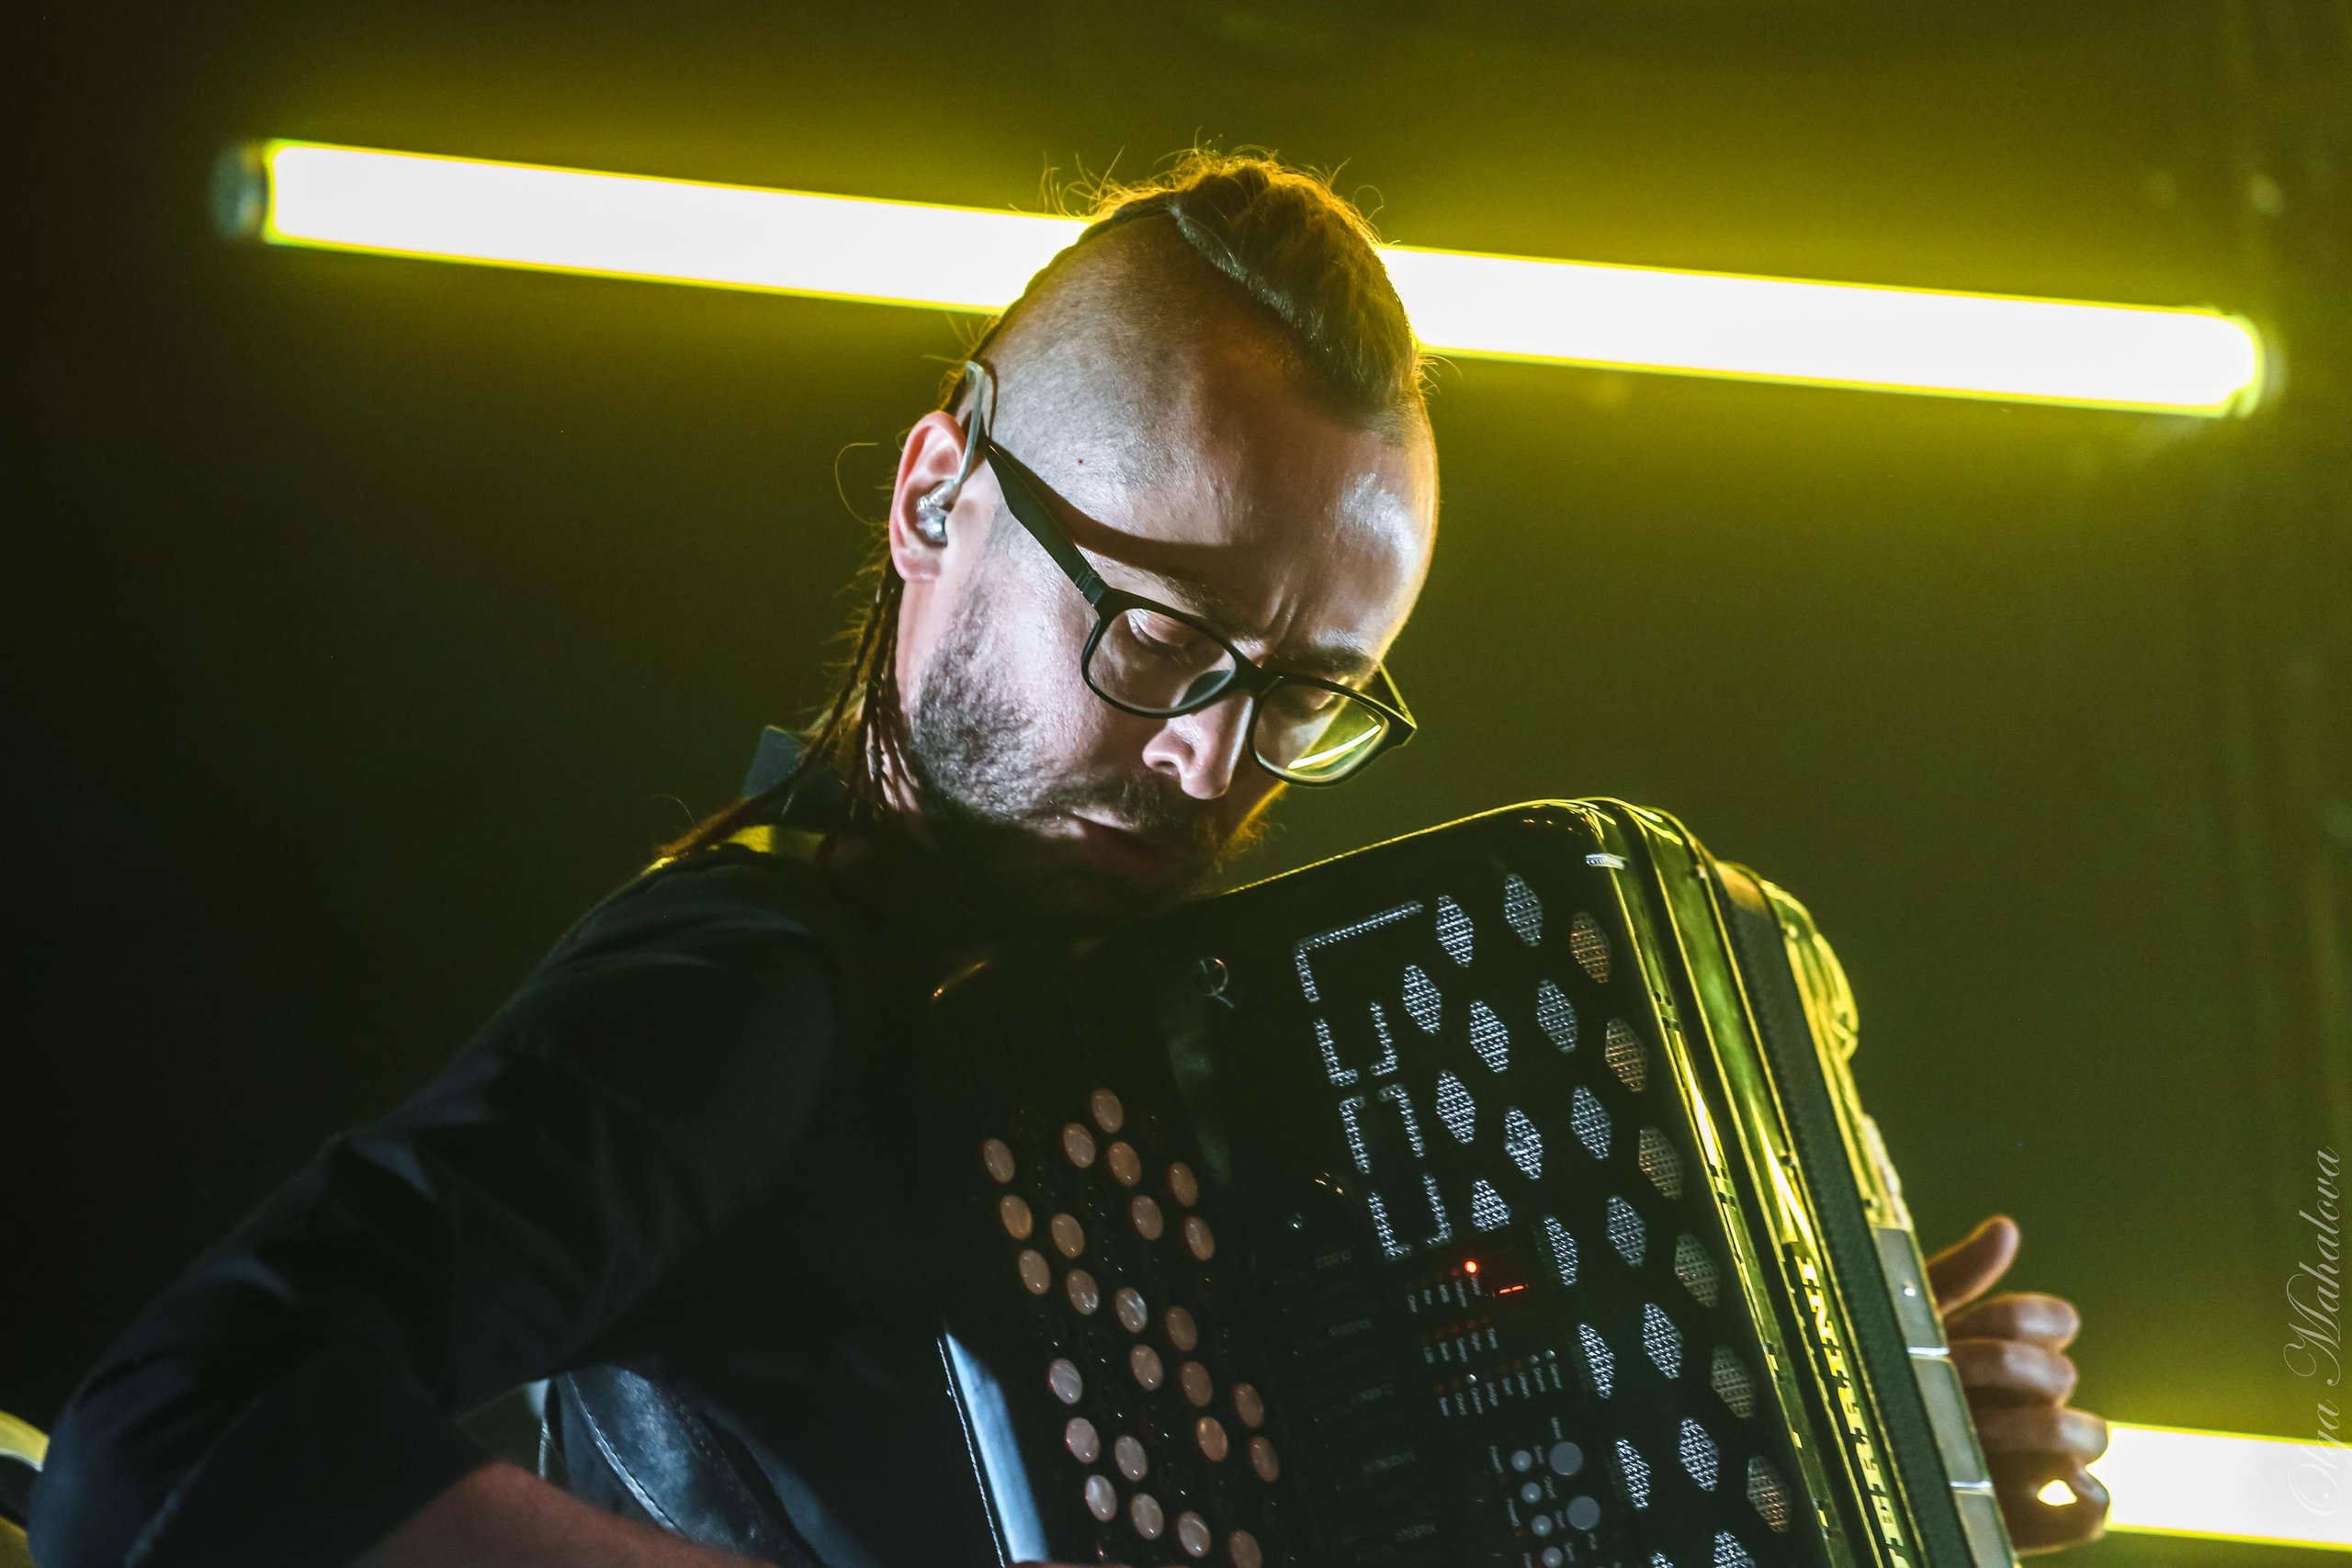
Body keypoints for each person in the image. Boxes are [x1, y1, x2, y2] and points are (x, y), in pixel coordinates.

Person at [27, 151, 2109, 1567]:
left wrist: (1825, 1411)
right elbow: (173, 1439)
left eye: (1302, 686)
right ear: (939, 489)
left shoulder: (1202, 1057)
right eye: (1152, 631)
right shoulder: (761, 986)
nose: (1210, 752)